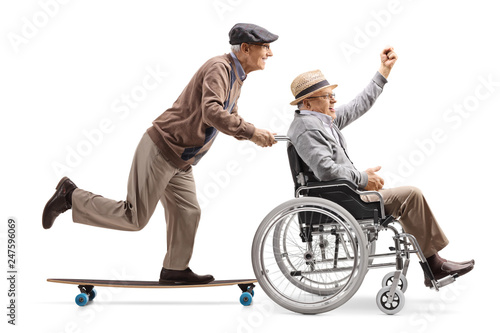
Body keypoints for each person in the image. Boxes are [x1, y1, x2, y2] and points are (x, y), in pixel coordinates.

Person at [42, 23, 278, 284]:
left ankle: (175, 269)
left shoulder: (236, 76)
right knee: (133, 217)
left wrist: (253, 133)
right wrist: (252, 132)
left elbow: (228, 115)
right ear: (245, 48)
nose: (269, 53)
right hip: (162, 150)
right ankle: (71, 197)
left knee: (189, 212)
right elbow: (212, 112)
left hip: (181, 160)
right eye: (265, 47)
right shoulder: (219, 68)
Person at [287, 47, 474, 287]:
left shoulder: (322, 121)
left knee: (408, 197)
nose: (334, 100)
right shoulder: (306, 128)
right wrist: (362, 178)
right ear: (307, 102)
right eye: (327, 96)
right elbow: (326, 171)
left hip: (344, 194)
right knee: (411, 196)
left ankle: (433, 265)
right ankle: (434, 266)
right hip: (339, 199)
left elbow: (358, 105)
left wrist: (383, 71)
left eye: (332, 95)